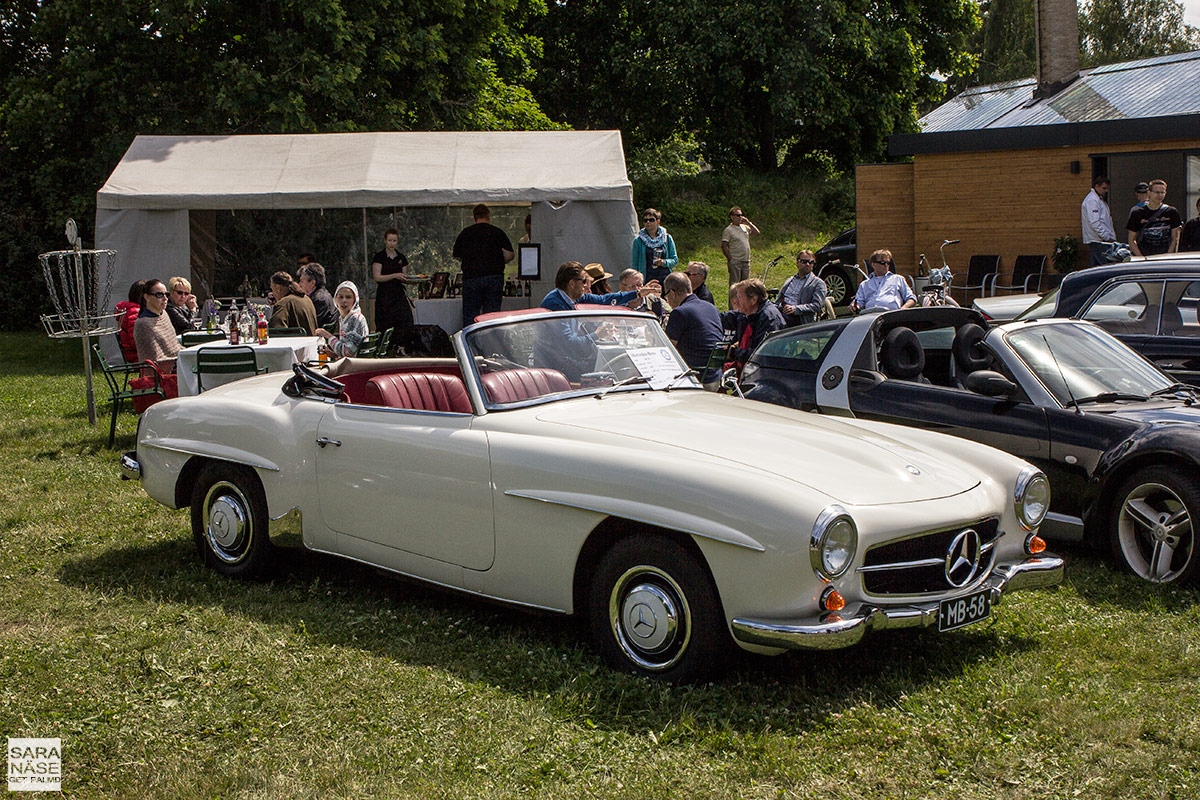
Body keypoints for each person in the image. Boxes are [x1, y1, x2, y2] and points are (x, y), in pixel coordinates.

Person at [454, 203, 515, 329]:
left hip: (471, 278)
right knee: (492, 316)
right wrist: (498, 260)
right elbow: (510, 254)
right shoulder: (497, 232)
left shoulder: (465, 233)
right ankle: (491, 344)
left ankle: (470, 346)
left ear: (474, 217)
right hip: (493, 277)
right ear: (488, 215)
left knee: (470, 316)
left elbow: (457, 255)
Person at [662, 272, 724, 384]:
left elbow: (668, 348)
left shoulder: (680, 312)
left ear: (672, 293)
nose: (667, 301)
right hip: (715, 375)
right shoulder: (711, 307)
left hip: (693, 377)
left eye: (666, 296)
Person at [720, 279, 786, 369]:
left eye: (739, 297)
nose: (735, 301)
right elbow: (726, 318)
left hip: (762, 373)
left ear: (753, 299)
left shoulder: (769, 319)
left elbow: (761, 355)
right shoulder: (747, 313)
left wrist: (732, 353)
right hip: (745, 367)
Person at [542, 262, 657, 311]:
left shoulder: (575, 297)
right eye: (584, 281)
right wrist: (597, 335)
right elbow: (566, 340)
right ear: (572, 284)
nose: (587, 286)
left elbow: (605, 300)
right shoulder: (555, 303)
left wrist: (638, 294)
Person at [371, 228, 413, 340]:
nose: (392, 243)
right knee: (384, 323)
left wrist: (410, 279)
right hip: (384, 296)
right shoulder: (379, 257)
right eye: (390, 240)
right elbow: (377, 277)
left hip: (398, 295)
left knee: (405, 321)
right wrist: (394, 276)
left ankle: (402, 347)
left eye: (394, 241)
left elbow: (404, 277)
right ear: (385, 240)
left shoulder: (401, 257)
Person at [133, 280, 181, 373]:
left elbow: (174, 346)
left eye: (166, 294)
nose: (165, 298)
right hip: (159, 371)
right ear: (147, 297)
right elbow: (154, 358)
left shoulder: (164, 315)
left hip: (176, 361)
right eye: (159, 295)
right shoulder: (143, 323)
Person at [1126, 179, 1182, 256]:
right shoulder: (1137, 213)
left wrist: (1169, 255)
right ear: (1149, 192)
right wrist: (1140, 258)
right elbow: (1131, 240)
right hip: (1145, 256)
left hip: (1165, 257)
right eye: (1157, 192)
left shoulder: (1172, 212)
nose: (1159, 195)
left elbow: (1175, 238)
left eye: (1162, 192)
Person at [849, 250, 916, 313]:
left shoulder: (898, 279)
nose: (886, 265)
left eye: (888, 263)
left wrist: (903, 309)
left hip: (891, 314)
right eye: (882, 263)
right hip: (870, 317)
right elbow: (858, 301)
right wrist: (855, 306)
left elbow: (911, 298)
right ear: (873, 264)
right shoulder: (865, 284)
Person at [316, 280, 369, 358]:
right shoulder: (343, 318)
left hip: (356, 366)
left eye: (348, 297)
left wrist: (327, 335)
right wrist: (334, 354)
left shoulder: (354, 318)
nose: (344, 301)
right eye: (340, 297)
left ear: (355, 300)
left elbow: (347, 352)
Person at [776, 250, 828, 326]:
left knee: (774, 321)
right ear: (797, 263)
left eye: (811, 262)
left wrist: (795, 309)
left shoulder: (818, 283)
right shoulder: (790, 280)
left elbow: (817, 306)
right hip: (781, 311)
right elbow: (778, 300)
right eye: (804, 261)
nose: (807, 264)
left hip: (798, 317)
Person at [721, 206, 760, 301]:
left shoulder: (744, 227)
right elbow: (724, 246)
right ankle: (733, 309)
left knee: (745, 287)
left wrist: (748, 222)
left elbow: (757, 232)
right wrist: (731, 259)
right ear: (732, 217)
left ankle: (743, 307)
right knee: (735, 287)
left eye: (741, 215)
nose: (740, 217)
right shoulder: (728, 230)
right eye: (738, 215)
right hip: (736, 261)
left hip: (746, 261)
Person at [631, 208, 677, 285]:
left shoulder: (667, 238)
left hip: (665, 279)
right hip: (647, 279)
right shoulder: (638, 241)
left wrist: (664, 262)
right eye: (645, 220)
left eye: (651, 220)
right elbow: (635, 264)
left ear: (658, 221)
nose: (648, 222)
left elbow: (674, 260)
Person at [1081, 175, 1118, 266]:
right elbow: (1095, 222)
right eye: (1104, 188)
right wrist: (1106, 237)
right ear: (1096, 186)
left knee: (1096, 266)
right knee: (1105, 266)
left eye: (1107, 188)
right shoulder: (1092, 201)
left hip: (1099, 240)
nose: (1106, 191)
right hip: (1099, 241)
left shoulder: (1098, 199)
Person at [298, 262, 339, 331]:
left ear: (312, 283)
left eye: (302, 281)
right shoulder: (318, 296)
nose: (299, 284)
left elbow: (311, 325)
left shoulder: (319, 299)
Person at [116, 279, 146, 363]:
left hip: (135, 353)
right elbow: (135, 341)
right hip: (137, 355)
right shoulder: (135, 313)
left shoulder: (130, 310)